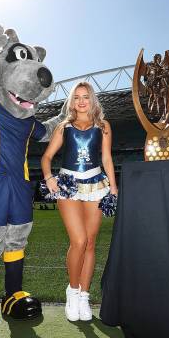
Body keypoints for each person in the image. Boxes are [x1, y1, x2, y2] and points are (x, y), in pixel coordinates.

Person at [41, 81, 118, 322]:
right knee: (79, 240)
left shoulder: (103, 126)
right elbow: (46, 157)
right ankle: (72, 291)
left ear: (92, 100)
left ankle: (84, 296)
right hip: (68, 185)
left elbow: (106, 158)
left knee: (91, 243)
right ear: (72, 101)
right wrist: (49, 177)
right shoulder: (64, 127)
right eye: (77, 97)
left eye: (86, 96)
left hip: (96, 185)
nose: (82, 101)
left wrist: (113, 188)